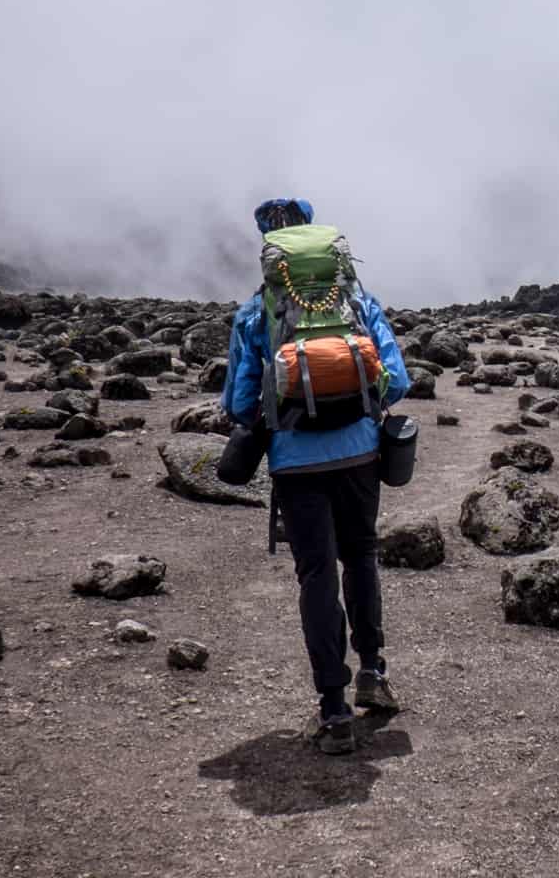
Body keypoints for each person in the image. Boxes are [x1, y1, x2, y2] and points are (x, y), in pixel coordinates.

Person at [223, 197, 412, 755]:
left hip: (296, 466)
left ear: (269, 254)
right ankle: (373, 672)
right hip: (359, 457)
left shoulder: (256, 314)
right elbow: (395, 380)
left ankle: (334, 711)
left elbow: (238, 402)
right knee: (361, 557)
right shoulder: (357, 302)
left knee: (317, 579)